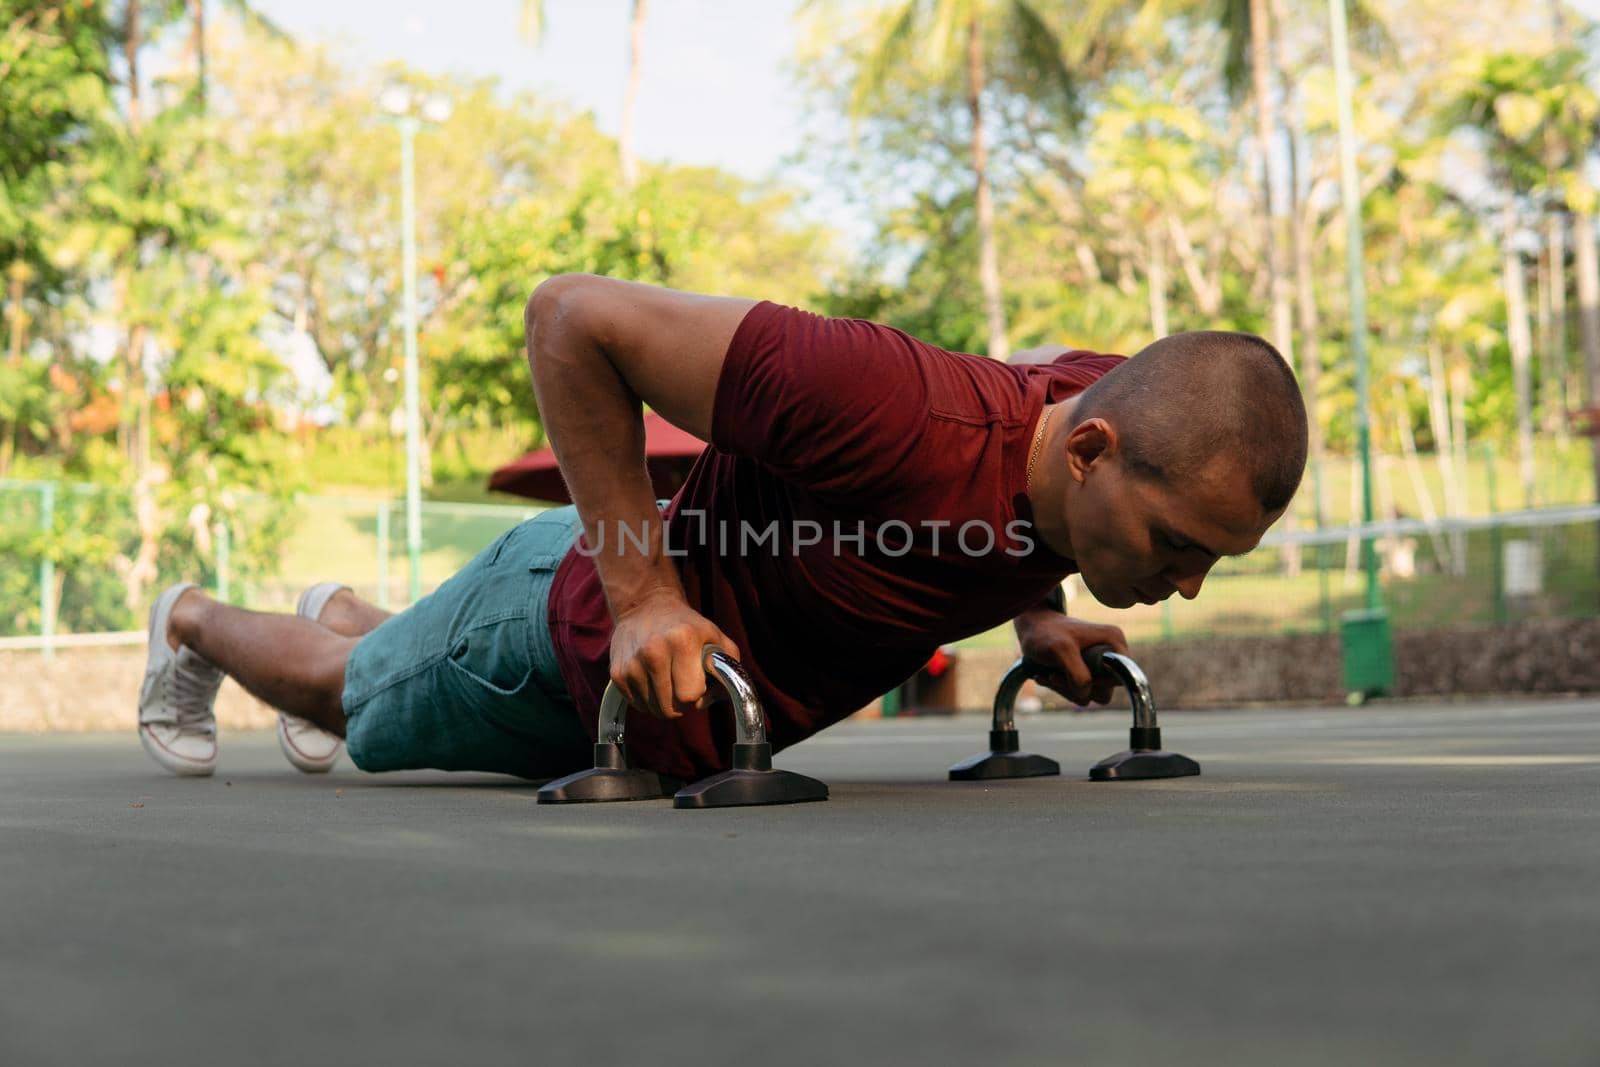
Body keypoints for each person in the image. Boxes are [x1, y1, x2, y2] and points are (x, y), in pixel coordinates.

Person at [136, 276, 1307, 781]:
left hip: (654, 681)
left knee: (380, 653)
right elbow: (571, 316)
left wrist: (1035, 607)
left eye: (1210, 556)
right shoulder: (881, 399)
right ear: (1090, 449)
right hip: (559, 639)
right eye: (1174, 546)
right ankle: (191, 621)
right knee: (346, 701)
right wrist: (645, 597)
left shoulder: (1097, 418)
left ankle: (351, 614)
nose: (1189, 583)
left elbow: (983, 510)